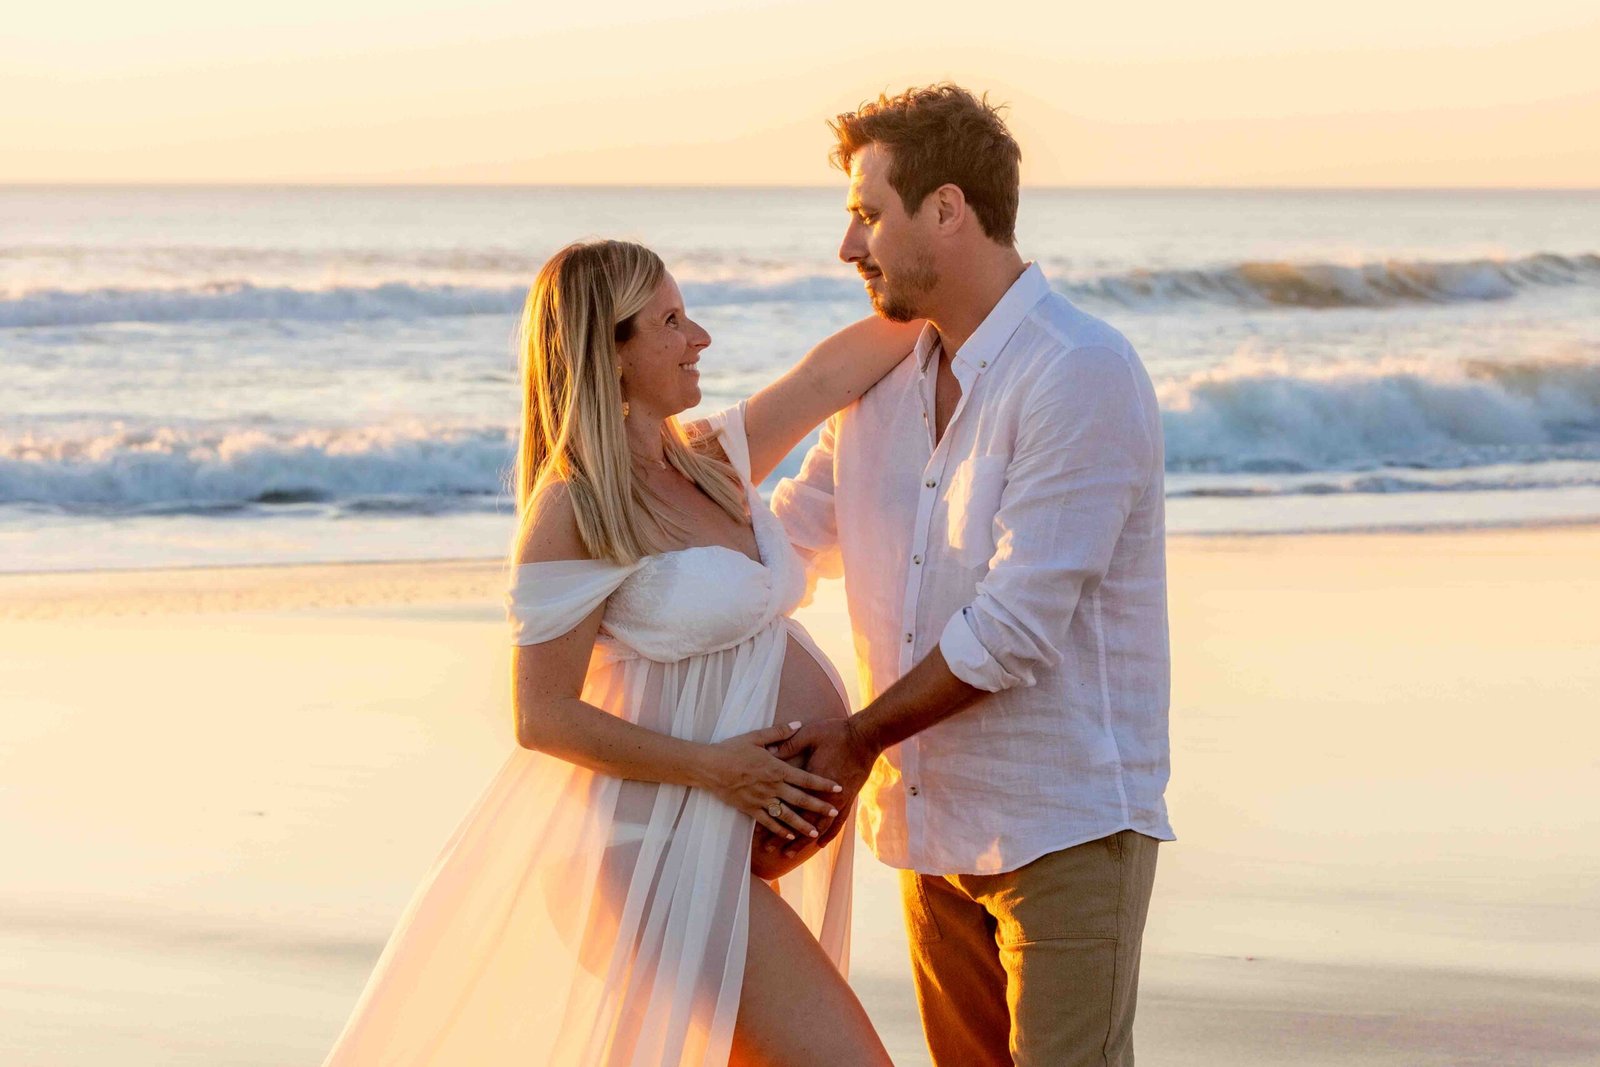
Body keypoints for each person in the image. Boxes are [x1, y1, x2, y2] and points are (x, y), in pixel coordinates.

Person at [321, 239, 916, 1067]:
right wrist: (719, 769)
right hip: (648, 851)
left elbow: (827, 376)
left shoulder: (709, 461)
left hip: (719, 842)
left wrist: (962, 289)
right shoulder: (574, 505)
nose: (699, 335)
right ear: (612, 351)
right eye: (670, 320)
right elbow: (543, 715)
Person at [771, 84, 1175, 1066]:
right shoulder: (875, 387)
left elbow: (1016, 624)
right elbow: (783, 544)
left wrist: (858, 734)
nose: (848, 248)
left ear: (946, 210)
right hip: (927, 827)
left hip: (1062, 823)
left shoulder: (1077, 368)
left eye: (868, 215)